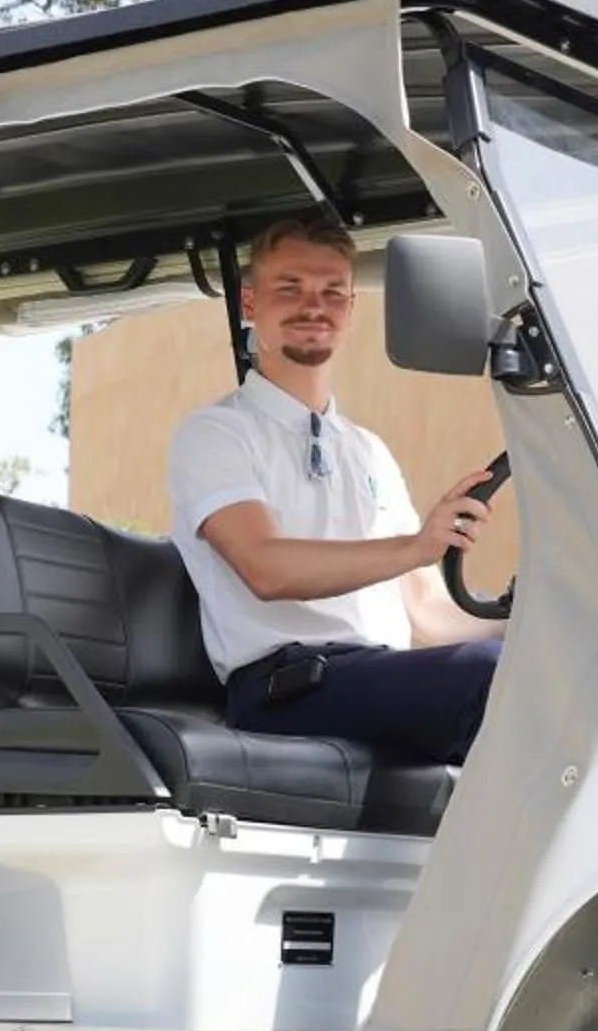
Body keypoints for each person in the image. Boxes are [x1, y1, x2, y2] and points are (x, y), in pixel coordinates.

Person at [166, 217, 506, 765]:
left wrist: (541, 623)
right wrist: (417, 546)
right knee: (490, 678)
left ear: (351, 311)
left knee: (545, 669)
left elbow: (430, 614)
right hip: (285, 689)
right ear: (250, 305)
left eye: (331, 293)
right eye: (290, 289)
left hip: (372, 681)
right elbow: (266, 569)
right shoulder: (217, 433)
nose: (313, 306)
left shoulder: (368, 450)